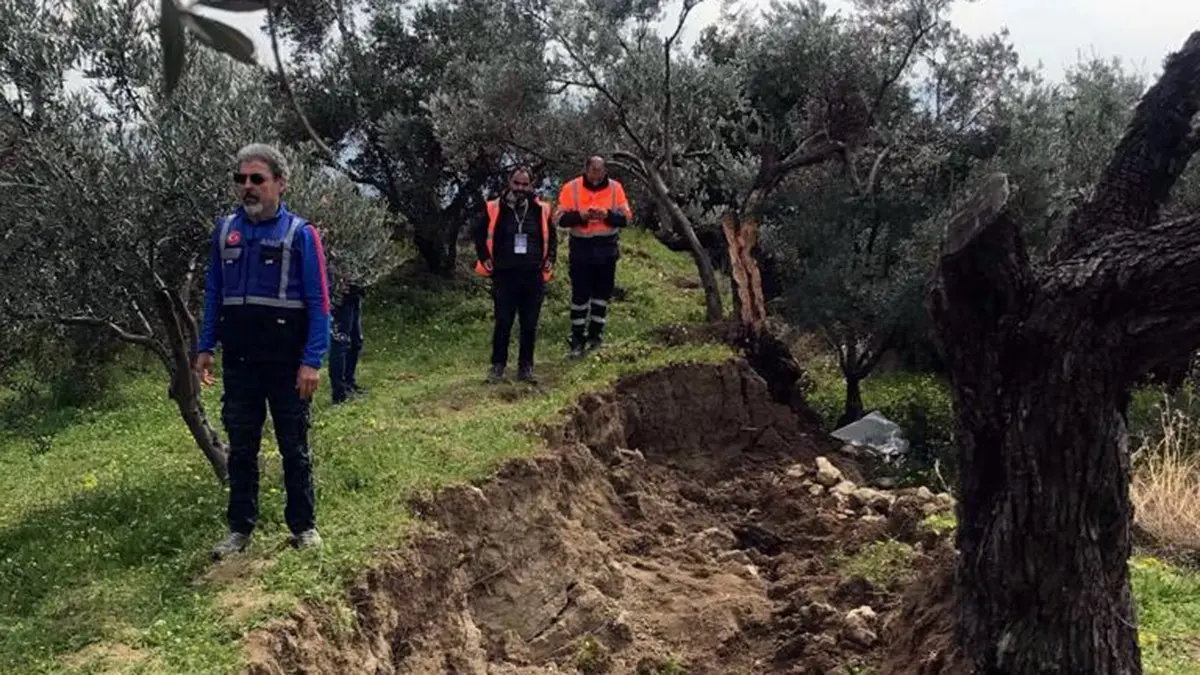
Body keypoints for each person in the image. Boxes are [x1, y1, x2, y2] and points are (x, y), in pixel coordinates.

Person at [194, 143, 331, 560]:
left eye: (257, 179)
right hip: (240, 360)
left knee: (294, 446)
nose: (248, 187)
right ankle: (239, 530)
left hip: (287, 362)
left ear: (280, 183)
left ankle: (304, 527)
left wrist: (312, 361)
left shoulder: (300, 234)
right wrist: (204, 346)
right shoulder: (224, 232)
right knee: (242, 446)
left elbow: (319, 302)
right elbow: (214, 291)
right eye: (241, 179)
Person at [473, 166, 556, 384]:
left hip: (533, 276)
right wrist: (484, 257)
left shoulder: (541, 209)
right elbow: (479, 234)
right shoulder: (494, 207)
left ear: (531, 184)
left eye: (524, 184)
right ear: (509, 182)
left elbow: (552, 238)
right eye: (516, 183)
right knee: (503, 322)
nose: (520, 188)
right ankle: (497, 366)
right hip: (504, 275)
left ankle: (525, 368)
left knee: (529, 324)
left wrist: (551, 259)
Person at [553, 156, 632, 358]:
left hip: (606, 249)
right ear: (586, 169)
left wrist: (607, 215)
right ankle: (577, 340)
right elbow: (560, 219)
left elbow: (626, 219)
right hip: (581, 249)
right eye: (593, 170)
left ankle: (596, 337)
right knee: (580, 297)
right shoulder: (571, 188)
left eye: (600, 170)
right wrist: (582, 216)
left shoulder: (615, 188)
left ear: (605, 170)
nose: (597, 175)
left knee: (602, 296)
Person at [330, 283, 366, 404]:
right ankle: (339, 392)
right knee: (341, 343)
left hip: (354, 293)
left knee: (356, 342)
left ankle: (349, 383)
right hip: (340, 296)